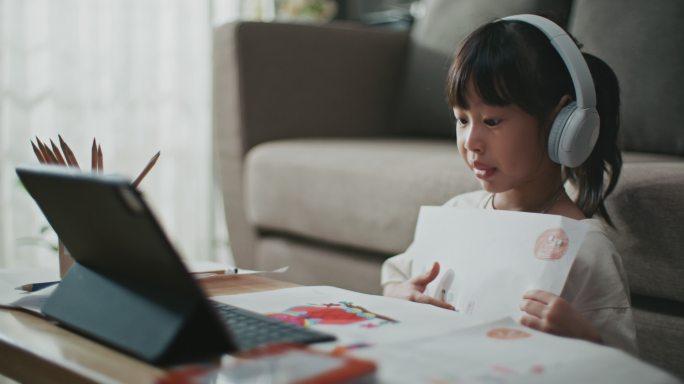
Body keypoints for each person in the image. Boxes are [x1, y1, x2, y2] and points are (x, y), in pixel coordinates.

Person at [381, 15, 637, 355]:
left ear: (561, 124)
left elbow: (623, 365)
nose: (471, 141)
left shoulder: (585, 246)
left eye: (491, 120)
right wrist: (403, 294)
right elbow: (393, 278)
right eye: (461, 119)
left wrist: (584, 338)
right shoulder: (458, 213)